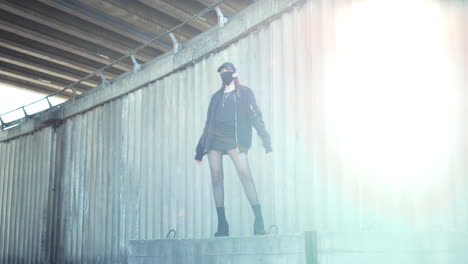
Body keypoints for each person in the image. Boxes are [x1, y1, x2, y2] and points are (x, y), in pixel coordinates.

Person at [195, 62, 272, 237]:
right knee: (216, 178)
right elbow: (208, 124)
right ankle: (222, 225)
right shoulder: (216, 97)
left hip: (235, 140)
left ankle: (259, 221)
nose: (224, 74)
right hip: (214, 140)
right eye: (221, 72)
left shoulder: (244, 93)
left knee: (245, 176)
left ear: (235, 73)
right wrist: (200, 149)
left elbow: (255, 115)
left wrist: (265, 139)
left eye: (227, 71)